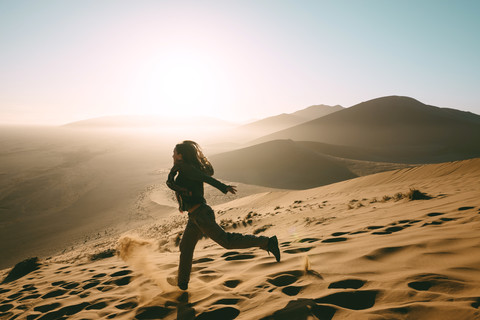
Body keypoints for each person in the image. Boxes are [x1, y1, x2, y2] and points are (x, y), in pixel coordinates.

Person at [166, 140, 280, 290]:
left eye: (174, 153)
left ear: (180, 155)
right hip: (194, 217)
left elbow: (205, 178)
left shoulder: (187, 168)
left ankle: (267, 242)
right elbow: (175, 184)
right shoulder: (182, 169)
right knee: (185, 248)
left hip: (201, 215)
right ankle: (182, 283)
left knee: (227, 241)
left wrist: (223, 187)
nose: (172, 155)